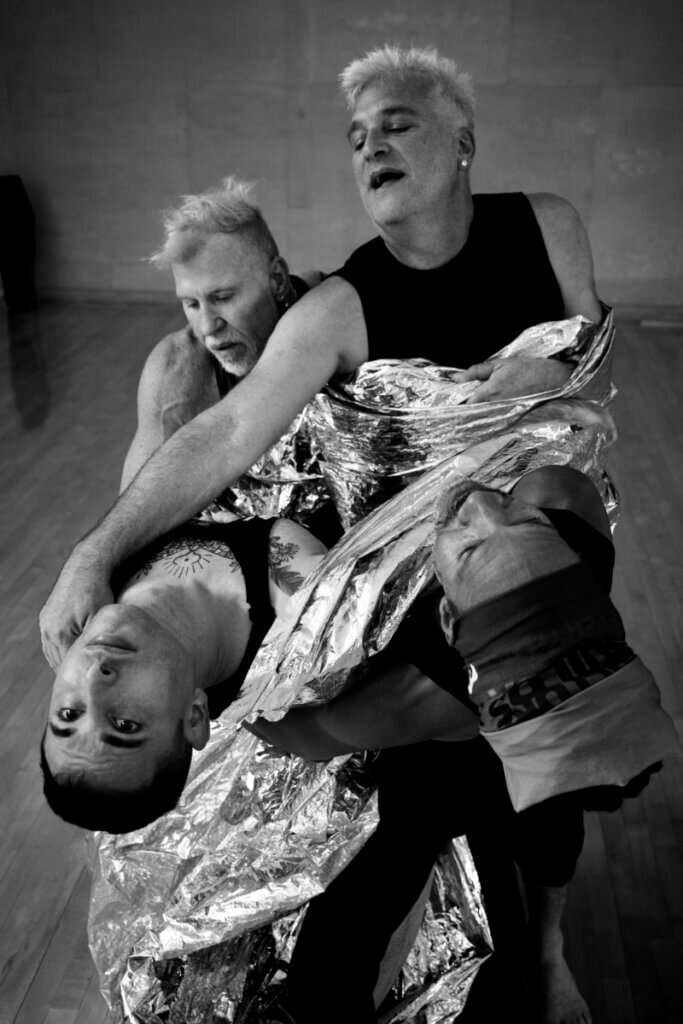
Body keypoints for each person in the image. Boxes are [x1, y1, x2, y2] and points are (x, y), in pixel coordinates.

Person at [39, 44, 604, 668]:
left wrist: (559, 377)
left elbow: (596, 364)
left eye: (397, 125)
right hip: (429, 594)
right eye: (357, 138)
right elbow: (227, 431)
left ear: (462, 142)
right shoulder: (337, 311)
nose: (371, 147)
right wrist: (90, 558)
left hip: (556, 543)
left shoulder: (549, 226)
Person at [250, 466, 679, 1024]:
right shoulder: (565, 502)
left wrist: (223, 708)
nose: (481, 502)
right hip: (432, 753)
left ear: (449, 620)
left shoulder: (418, 698)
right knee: (350, 930)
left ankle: (549, 955)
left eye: (472, 545)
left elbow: (304, 736)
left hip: (457, 726)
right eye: (520, 517)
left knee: (551, 831)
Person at [40, 513, 326, 834]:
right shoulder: (297, 603)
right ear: (194, 716)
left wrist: (90, 560)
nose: (94, 678)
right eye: (125, 724)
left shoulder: (92, 588)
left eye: (68, 713)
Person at [119, 176, 321, 492]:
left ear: (278, 280)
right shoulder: (174, 373)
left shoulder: (332, 313)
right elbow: (134, 517)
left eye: (222, 298)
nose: (207, 326)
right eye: (191, 303)